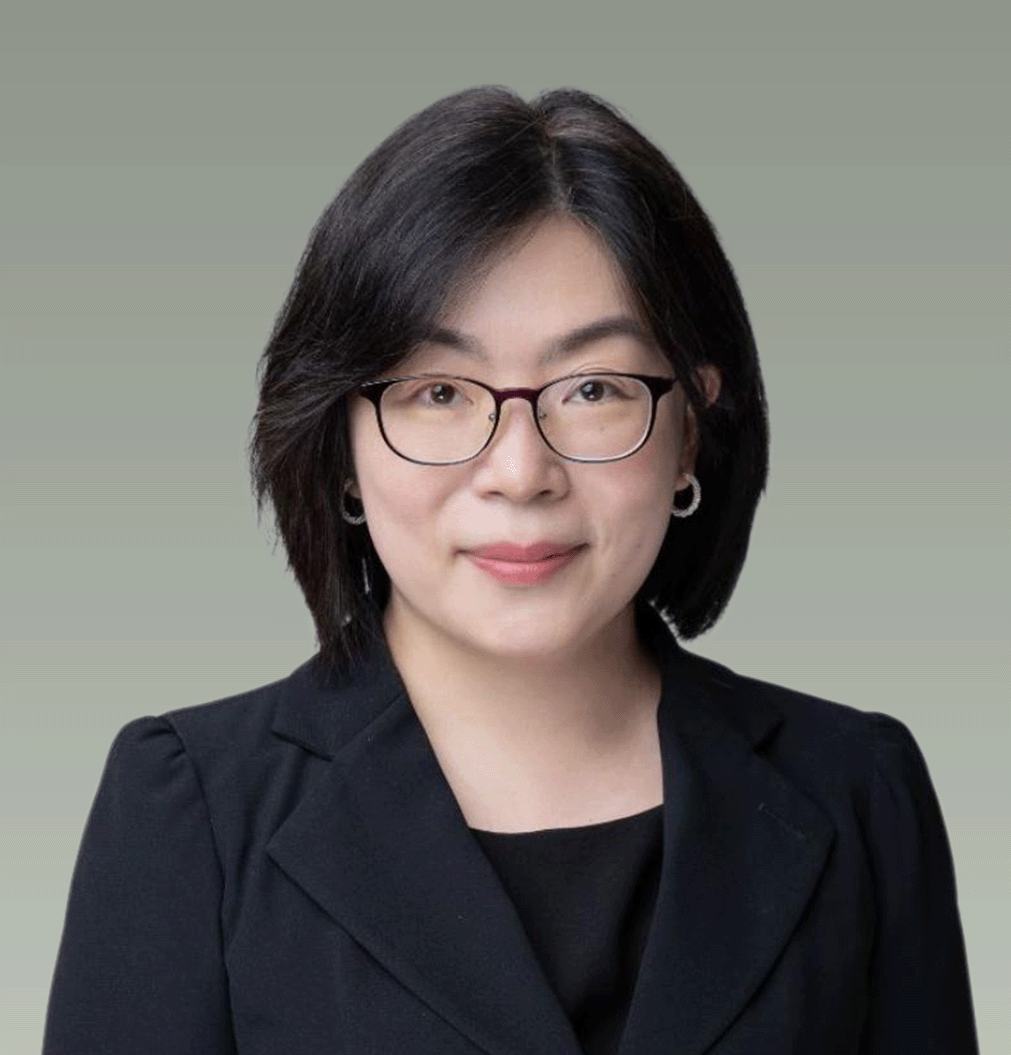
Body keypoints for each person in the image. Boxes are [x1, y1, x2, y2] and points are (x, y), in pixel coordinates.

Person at [42, 85, 978, 1055]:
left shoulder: (858, 790)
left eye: (594, 389)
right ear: (343, 443)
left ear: (690, 429)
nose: (521, 471)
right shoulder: (191, 812)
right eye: (439, 390)